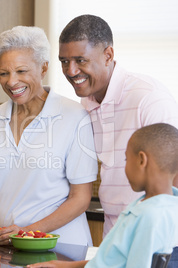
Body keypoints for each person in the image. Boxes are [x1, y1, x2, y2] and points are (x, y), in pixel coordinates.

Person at [0, 26, 98, 246]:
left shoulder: (74, 117)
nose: (12, 82)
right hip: (7, 249)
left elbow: (80, 198)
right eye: (4, 73)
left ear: (43, 68)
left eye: (21, 71)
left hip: (61, 248)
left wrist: (26, 232)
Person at [58, 14, 178, 237]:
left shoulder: (148, 97)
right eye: (64, 61)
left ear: (108, 55)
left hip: (157, 235)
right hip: (116, 230)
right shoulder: (87, 102)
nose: (71, 71)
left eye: (80, 60)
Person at [28, 123, 178, 268]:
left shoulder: (147, 216)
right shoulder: (164, 206)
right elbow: (110, 262)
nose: (125, 167)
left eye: (126, 159)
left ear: (141, 160)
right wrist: (65, 266)